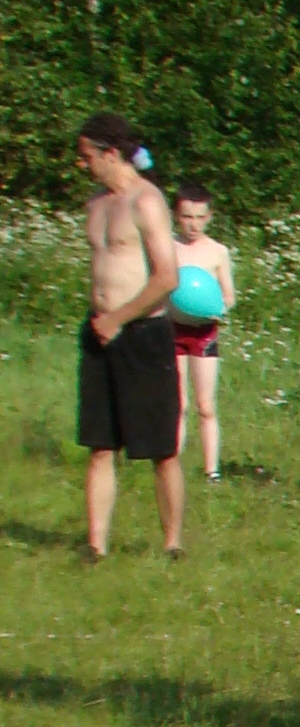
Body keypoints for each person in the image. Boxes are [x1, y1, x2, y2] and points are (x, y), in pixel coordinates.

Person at [73, 115, 183, 563]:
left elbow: (167, 277)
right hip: (99, 331)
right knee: (100, 445)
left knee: (161, 448)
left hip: (142, 333)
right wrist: (103, 321)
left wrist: (119, 318)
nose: (82, 164)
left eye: (87, 156)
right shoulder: (95, 204)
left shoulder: (147, 200)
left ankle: (172, 543)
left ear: (111, 154)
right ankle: (95, 545)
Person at [170, 184, 237, 485]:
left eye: (199, 217)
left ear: (209, 217)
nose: (193, 224)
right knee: (178, 404)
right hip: (172, 330)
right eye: (187, 217)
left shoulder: (217, 252)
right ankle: (172, 464)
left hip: (204, 333)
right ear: (176, 215)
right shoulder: (168, 247)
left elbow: (228, 295)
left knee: (206, 405)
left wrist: (220, 309)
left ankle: (212, 471)